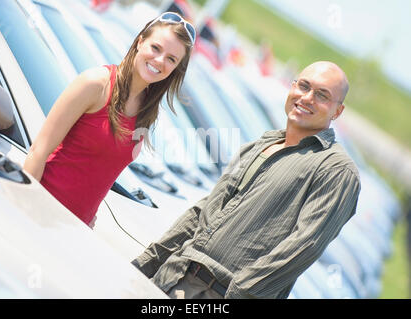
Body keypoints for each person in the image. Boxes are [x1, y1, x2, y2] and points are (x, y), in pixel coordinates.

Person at [132, 61, 361, 299]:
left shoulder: (337, 170)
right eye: (303, 86)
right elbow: (204, 211)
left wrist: (238, 294)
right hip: (173, 278)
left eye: (322, 95)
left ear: (337, 111)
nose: (307, 98)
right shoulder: (258, 145)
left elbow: (303, 246)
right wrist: (146, 263)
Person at [23, 12, 196, 228]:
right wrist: (24, 212)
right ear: (140, 42)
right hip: (38, 213)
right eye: (156, 48)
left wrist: (88, 218)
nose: (160, 61)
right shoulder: (95, 84)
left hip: (73, 230)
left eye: (171, 59)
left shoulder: (147, 110)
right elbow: (38, 151)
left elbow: (101, 171)